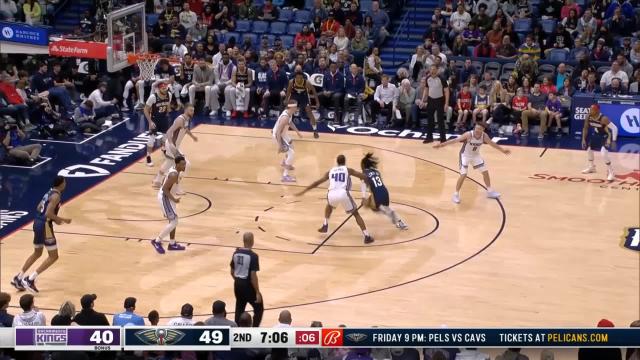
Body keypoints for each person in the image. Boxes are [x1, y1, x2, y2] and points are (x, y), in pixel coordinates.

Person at [296, 154, 374, 244]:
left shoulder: (330, 171)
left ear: (337, 162)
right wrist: (370, 182)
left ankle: (325, 224)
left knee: (329, 206)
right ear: (345, 162)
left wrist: (305, 190)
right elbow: (363, 177)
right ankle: (367, 236)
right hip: (343, 193)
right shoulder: (348, 170)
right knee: (356, 214)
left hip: (331, 194)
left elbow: (317, 183)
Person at [11, 175, 70, 293]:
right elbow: (48, 213)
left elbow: (39, 207)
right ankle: (30, 279)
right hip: (45, 226)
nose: (66, 184)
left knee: (37, 252)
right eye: (65, 182)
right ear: (61, 184)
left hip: (37, 223)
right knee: (53, 256)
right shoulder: (56, 196)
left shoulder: (48, 192)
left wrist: (47, 218)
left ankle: (19, 277)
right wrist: (60, 219)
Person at [433, 122, 510, 204]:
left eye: (479, 129)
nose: (477, 130)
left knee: (485, 172)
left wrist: (502, 150)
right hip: (465, 156)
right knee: (463, 175)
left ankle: (490, 191)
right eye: (476, 128)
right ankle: (455, 194)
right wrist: (441, 145)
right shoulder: (468, 134)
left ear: (483, 130)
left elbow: (492, 144)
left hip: (475, 156)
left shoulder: (484, 136)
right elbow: (455, 140)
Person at [152, 105, 197, 190]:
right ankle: (175, 187)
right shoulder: (180, 120)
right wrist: (170, 144)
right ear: (185, 110)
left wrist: (192, 136)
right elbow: (169, 131)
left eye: (193, 110)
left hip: (175, 145)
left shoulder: (186, 119)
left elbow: (185, 129)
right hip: (171, 145)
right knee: (185, 165)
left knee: (169, 162)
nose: (192, 112)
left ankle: (157, 181)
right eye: (191, 110)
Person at [360, 152, 408, 230]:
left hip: (377, 195)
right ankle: (397, 220)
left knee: (373, 207)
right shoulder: (376, 171)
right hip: (385, 192)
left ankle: (395, 219)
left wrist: (363, 197)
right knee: (382, 207)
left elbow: (363, 184)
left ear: (363, 165)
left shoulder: (364, 173)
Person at [151, 155, 188, 254]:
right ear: (177, 164)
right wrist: (174, 199)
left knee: (173, 221)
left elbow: (166, 182)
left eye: (185, 164)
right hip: (165, 198)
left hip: (169, 197)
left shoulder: (176, 172)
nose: (184, 166)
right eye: (182, 164)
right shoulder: (173, 174)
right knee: (174, 221)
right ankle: (157, 241)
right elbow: (164, 189)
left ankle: (172, 244)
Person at [230, 232, 263, 327]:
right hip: (247, 285)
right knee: (259, 307)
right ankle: (254, 328)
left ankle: (236, 329)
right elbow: (253, 276)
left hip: (237, 284)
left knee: (239, 307)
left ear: (243, 241)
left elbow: (232, 271)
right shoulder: (253, 256)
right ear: (252, 241)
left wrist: (237, 280)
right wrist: (257, 292)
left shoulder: (235, 253)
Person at [581, 104, 614, 180]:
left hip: (606, 135)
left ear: (597, 111)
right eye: (590, 109)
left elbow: (614, 129)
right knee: (589, 150)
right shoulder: (588, 116)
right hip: (597, 134)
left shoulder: (604, 118)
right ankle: (592, 167)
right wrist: (583, 139)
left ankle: (611, 171)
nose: (590, 111)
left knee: (603, 153)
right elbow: (585, 128)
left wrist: (612, 140)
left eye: (592, 110)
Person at [144, 82, 173, 167]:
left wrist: (168, 116)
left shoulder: (169, 95)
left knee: (166, 137)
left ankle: (163, 149)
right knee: (152, 139)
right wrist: (150, 122)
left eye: (165, 88)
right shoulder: (153, 97)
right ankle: (148, 156)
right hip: (154, 119)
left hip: (163, 118)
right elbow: (145, 110)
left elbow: (168, 106)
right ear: (159, 89)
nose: (164, 89)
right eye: (162, 88)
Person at [273, 100, 303, 182]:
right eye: (296, 107)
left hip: (283, 134)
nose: (297, 108)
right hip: (278, 136)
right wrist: (280, 145)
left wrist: (298, 132)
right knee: (291, 153)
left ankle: (284, 162)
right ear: (292, 107)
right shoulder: (285, 117)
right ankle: (285, 176)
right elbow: (278, 132)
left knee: (292, 145)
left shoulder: (289, 113)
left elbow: (290, 123)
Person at [285, 70, 320, 138]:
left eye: (300, 78)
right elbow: (289, 90)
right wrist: (286, 99)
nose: (299, 79)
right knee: (288, 110)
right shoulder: (291, 82)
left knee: (309, 111)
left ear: (303, 78)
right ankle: (284, 127)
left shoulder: (306, 83)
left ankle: (315, 130)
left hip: (303, 96)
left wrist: (317, 102)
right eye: (297, 78)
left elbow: (314, 91)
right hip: (295, 95)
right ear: (295, 77)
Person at [423, 64, 449, 144]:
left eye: (434, 69)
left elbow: (447, 91)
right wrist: (423, 99)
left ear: (437, 70)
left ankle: (443, 139)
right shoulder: (427, 78)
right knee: (430, 119)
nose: (432, 71)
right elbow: (426, 89)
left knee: (440, 120)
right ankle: (429, 138)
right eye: (431, 69)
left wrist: (446, 103)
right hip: (431, 100)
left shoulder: (442, 79)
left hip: (440, 100)